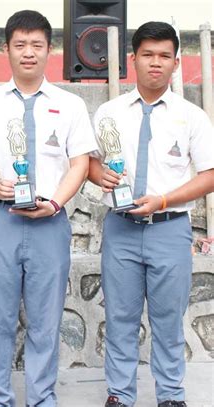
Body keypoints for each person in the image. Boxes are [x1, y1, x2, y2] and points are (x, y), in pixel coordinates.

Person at [0, 10, 97, 406]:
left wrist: (57, 201)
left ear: (50, 50)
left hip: (50, 220)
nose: (29, 53)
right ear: (6, 49)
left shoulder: (70, 104)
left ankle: (42, 397)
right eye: (20, 45)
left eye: (37, 46)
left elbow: (80, 162)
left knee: (46, 318)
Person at [88, 21, 214, 407]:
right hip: (121, 228)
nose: (155, 63)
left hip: (169, 228)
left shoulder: (192, 116)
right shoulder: (109, 112)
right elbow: (88, 164)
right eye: (147, 55)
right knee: (121, 320)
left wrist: (162, 200)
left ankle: (171, 396)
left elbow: (210, 175)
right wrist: (101, 175)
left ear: (176, 63)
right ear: (133, 60)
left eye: (164, 56)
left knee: (168, 321)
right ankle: (120, 395)